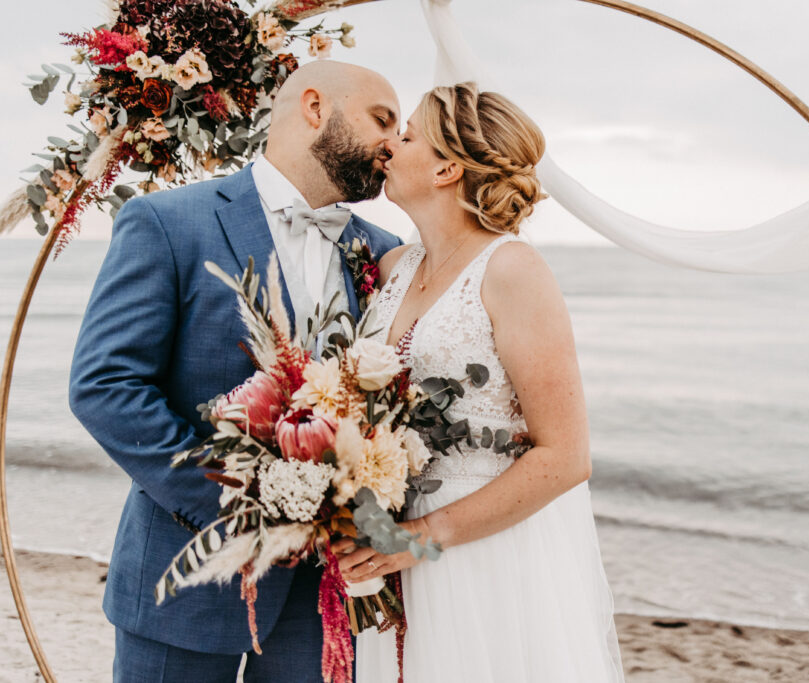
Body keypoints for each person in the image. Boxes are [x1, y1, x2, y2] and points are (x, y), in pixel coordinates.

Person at [68, 61, 402, 681]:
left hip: (324, 594)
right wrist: (238, 503)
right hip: (187, 571)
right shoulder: (167, 223)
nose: (394, 143)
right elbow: (106, 387)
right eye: (382, 119)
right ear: (313, 105)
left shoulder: (384, 254)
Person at [336, 82, 625, 682]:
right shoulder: (394, 266)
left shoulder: (513, 269)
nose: (390, 145)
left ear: (446, 167)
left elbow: (567, 456)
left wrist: (419, 537)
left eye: (407, 134)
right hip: (388, 540)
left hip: (481, 549)